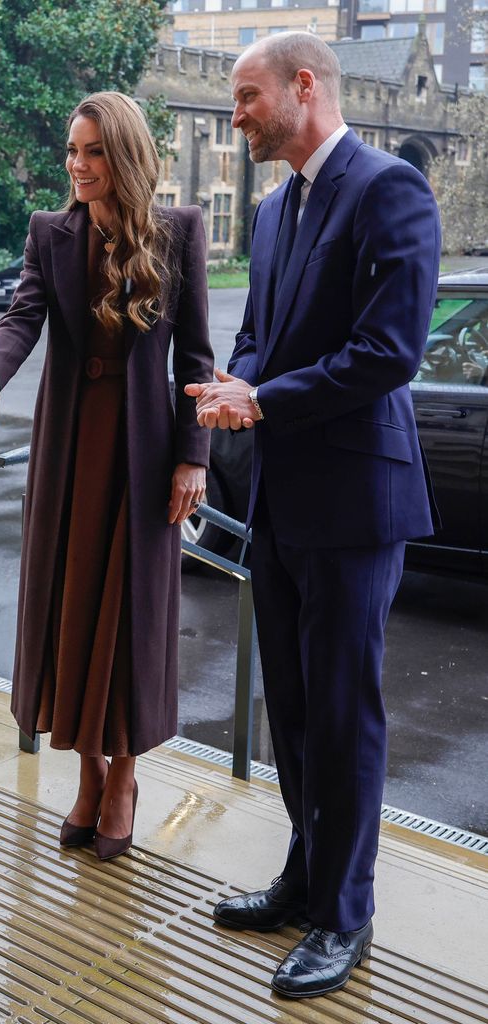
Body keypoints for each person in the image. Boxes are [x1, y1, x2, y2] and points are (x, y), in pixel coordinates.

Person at [186, 33, 440, 998]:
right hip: (281, 500)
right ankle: (303, 877)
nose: (235, 113)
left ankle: (345, 915)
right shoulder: (271, 209)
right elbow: (257, 335)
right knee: (288, 710)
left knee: (342, 714)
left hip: (354, 499)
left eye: (247, 97)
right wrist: (235, 380)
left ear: (304, 87)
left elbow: (388, 354)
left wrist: (264, 401)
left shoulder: (388, 190)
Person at [0, 92, 213, 860]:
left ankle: (126, 776)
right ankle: (87, 769)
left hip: (145, 457)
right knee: (70, 614)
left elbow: (197, 357)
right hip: (70, 451)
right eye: (71, 152)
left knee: (133, 620)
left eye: (91, 151)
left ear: (125, 155)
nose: (75, 165)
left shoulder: (178, 232)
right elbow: (22, 317)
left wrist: (192, 458)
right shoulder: (51, 233)